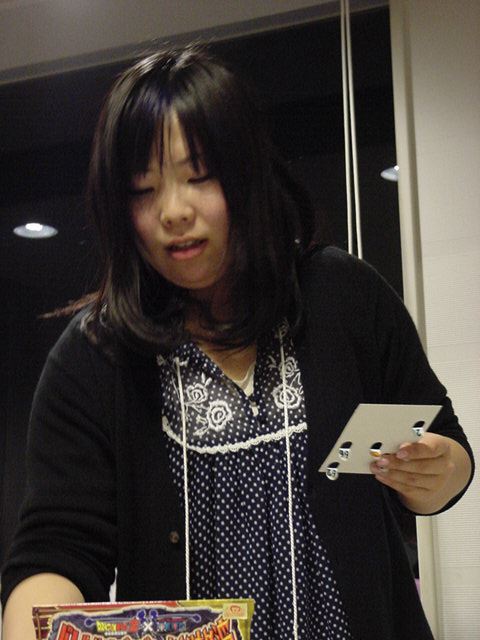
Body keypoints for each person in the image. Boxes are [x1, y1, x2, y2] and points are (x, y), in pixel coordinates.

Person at [1, 45, 474, 640]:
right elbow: (56, 549)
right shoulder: (96, 355)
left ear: (248, 174)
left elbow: (445, 447)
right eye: (143, 189)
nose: (173, 211)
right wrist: (36, 621)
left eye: (199, 176)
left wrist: (437, 474)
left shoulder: (343, 296)